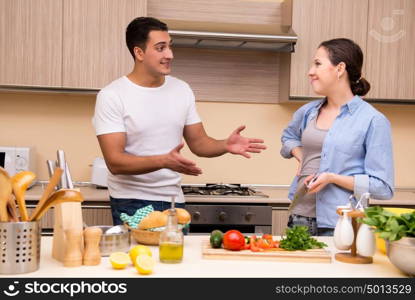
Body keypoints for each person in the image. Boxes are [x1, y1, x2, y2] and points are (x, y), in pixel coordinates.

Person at [93, 17, 266, 225]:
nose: (170, 54)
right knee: (141, 258)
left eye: (169, 46)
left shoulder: (181, 89)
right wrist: (164, 161)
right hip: (131, 200)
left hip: (174, 201)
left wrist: (224, 145)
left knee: (178, 258)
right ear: (139, 53)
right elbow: (115, 162)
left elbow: (200, 143)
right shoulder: (112, 95)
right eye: (160, 48)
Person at [280, 38, 394, 236]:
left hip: (342, 223)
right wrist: (300, 155)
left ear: (340, 68)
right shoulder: (308, 112)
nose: (310, 71)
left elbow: (383, 187)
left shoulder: (372, 120)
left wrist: (333, 178)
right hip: (300, 216)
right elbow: (288, 137)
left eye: (317, 63)